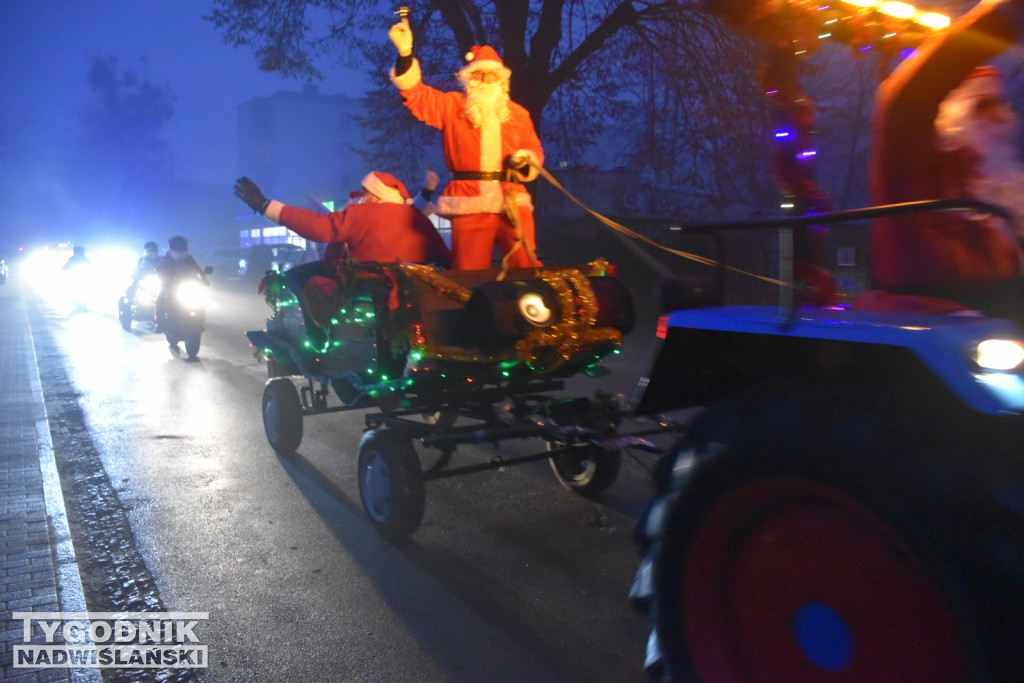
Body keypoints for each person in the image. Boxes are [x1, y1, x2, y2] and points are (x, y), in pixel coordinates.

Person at [862, 0, 1024, 321]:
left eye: (999, 104)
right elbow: (916, 92)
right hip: (934, 316)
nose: (999, 116)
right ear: (951, 109)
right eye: (983, 104)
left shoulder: (993, 181)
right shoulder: (912, 156)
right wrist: (1007, 14)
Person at [388, 17, 545, 271]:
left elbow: (535, 151)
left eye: (490, 75)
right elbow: (416, 96)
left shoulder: (518, 114)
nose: (484, 80)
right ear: (469, 79)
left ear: (501, 80)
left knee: (526, 266)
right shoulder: (452, 106)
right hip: (470, 202)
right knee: (468, 271)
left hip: (512, 202)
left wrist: (527, 161)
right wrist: (405, 53)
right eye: (478, 74)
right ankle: (471, 309)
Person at [233, 171, 452, 345]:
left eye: (365, 192)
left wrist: (265, 205)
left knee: (301, 279)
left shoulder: (361, 214)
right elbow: (444, 257)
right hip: (410, 288)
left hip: (367, 285)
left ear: (375, 194)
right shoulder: (418, 219)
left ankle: (317, 337)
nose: (362, 197)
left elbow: (317, 227)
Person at [155, 235, 207, 334]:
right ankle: (160, 323)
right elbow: (159, 271)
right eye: (177, 247)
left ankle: (199, 320)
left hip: (187, 286)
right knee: (160, 300)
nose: (179, 250)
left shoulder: (189, 259)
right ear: (171, 248)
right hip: (170, 287)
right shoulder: (166, 260)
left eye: (182, 247)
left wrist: (203, 278)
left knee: (201, 300)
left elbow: (198, 270)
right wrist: (164, 281)